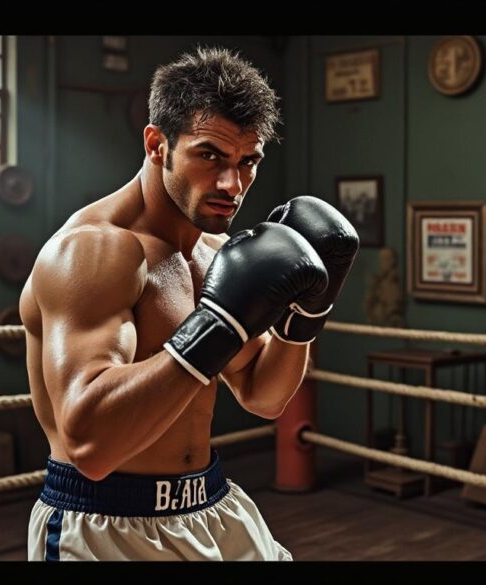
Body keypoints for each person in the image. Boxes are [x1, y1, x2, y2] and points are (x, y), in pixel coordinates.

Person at [20, 47, 359, 561]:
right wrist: (212, 330)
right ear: (157, 144)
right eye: (210, 156)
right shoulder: (94, 252)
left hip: (212, 504)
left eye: (248, 162)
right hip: (106, 522)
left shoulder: (216, 252)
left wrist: (305, 317)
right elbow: (90, 445)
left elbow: (264, 395)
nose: (232, 185)